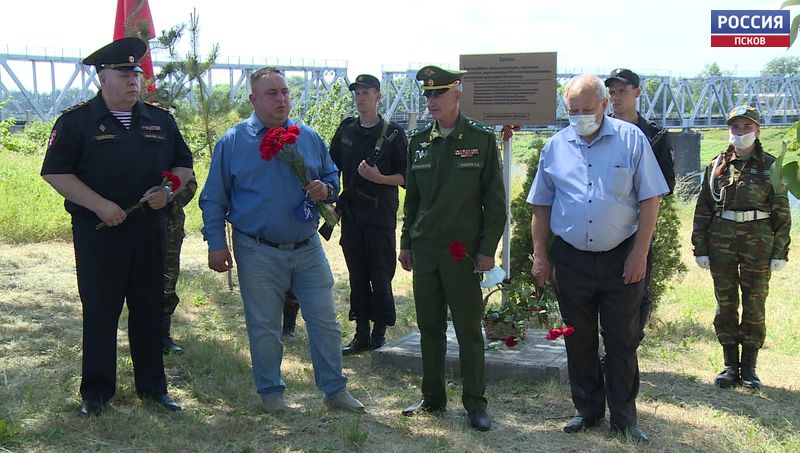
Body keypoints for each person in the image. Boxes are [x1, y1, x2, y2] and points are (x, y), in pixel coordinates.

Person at [40, 37, 193, 417]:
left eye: (136, 73)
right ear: (102, 77)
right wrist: (99, 205)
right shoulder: (77, 122)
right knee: (100, 310)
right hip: (100, 235)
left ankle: (154, 389)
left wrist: (167, 190)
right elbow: (56, 172)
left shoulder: (160, 121)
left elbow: (182, 166)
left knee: (148, 308)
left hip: (149, 231)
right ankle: (96, 392)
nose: (133, 80)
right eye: (124, 73)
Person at [199, 67, 364, 414]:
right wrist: (216, 243)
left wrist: (327, 188)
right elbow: (213, 198)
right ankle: (271, 393)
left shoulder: (306, 135)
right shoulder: (234, 142)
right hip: (258, 249)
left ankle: (335, 390)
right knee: (265, 328)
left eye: (285, 91)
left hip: (307, 248)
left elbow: (332, 174)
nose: (281, 98)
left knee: (325, 323)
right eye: (272, 93)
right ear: (253, 99)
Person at [528, 75, 668, 443]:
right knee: (579, 337)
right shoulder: (555, 147)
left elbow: (650, 199)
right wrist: (541, 256)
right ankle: (587, 410)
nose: (579, 117)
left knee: (622, 339)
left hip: (622, 257)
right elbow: (540, 205)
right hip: (572, 259)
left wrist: (640, 253)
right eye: (572, 111)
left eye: (587, 110)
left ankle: (624, 418)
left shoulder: (631, 139)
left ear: (604, 105)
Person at [398, 66, 506, 432]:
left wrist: (487, 251)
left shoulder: (480, 139)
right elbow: (412, 200)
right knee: (429, 327)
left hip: (462, 253)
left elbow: (495, 203)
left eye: (438, 94)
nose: (431, 101)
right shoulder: (418, 142)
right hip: (426, 250)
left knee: (467, 330)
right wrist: (406, 243)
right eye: (427, 95)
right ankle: (433, 398)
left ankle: (475, 403)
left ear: (457, 95)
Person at [691, 105, 791, 390]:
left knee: (755, 301)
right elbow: (704, 208)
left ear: (757, 130)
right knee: (725, 302)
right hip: (722, 238)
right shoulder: (717, 165)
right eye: (736, 127)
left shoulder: (772, 166)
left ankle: (749, 368)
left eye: (747, 127)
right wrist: (700, 246)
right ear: (729, 130)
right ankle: (729, 365)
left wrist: (779, 250)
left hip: (758, 240)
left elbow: (782, 212)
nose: (741, 132)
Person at [329, 74, 408, 355]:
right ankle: (360, 333)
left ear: (378, 96)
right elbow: (330, 166)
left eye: (366, 92)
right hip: (351, 216)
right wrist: (330, 200)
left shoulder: (393, 133)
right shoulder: (347, 130)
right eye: (357, 93)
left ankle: (379, 334)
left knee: (381, 274)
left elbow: (405, 176)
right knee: (357, 275)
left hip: (380, 216)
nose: (360, 97)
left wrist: (378, 177)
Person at [605, 68, 675, 343]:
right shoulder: (600, 129)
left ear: (637, 92)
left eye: (622, 91)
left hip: (638, 223)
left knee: (639, 288)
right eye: (611, 92)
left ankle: (631, 341)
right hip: (605, 223)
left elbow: (667, 183)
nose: (615, 97)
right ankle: (608, 344)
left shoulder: (655, 135)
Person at [162, 173, 198, 354]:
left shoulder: (170, 145)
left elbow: (190, 183)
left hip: (168, 226)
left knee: (166, 281)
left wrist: (167, 198)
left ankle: (162, 336)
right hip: (127, 223)